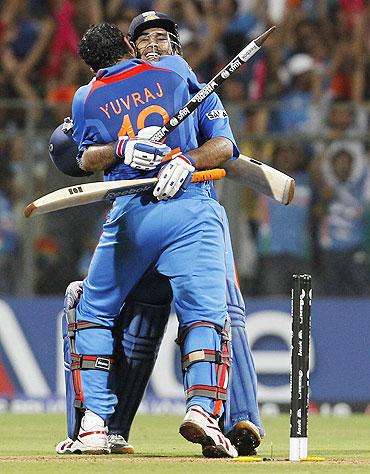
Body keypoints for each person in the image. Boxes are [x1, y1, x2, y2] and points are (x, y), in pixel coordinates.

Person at [54, 14, 263, 457]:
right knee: (208, 313)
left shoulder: (88, 95)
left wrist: (175, 157)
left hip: (143, 210)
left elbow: (222, 146)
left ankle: (94, 424)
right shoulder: (175, 74)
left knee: (93, 310)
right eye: (144, 39)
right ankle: (197, 411)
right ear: (130, 48)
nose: (154, 45)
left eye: (162, 38)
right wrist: (152, 153)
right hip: (183, 211)